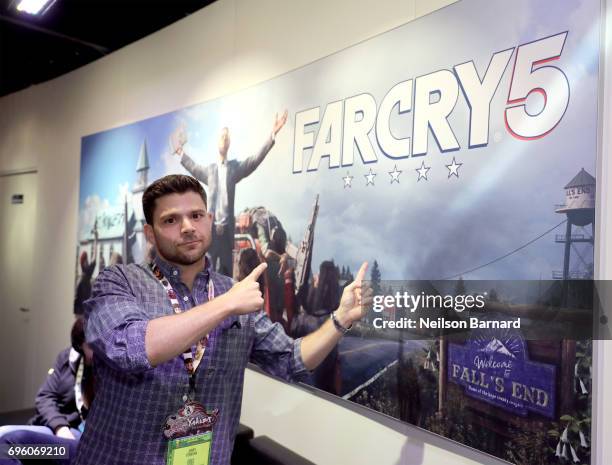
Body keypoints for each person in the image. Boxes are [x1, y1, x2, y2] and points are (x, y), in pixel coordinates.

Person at [74, 174, 371, 465]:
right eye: (170, 220)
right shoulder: (118, 282)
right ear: (150, 233)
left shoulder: (232, 291)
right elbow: (132, 348)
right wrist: (226, 305)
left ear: (210, 220)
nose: (188, 227)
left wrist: (340, 320)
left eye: (196, 215)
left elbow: (292, 359)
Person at [170, 111, 288, 277]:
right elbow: (194, 167)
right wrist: (181, 153)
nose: (224, 139)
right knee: (206, 273)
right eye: (221, 137)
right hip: (210, 230)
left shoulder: (235, 169)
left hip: (226, 233)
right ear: (217, 142)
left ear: (229, 143)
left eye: (227, 137)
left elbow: (255, 160)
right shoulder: (209, 171)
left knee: (225, 277)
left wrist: (272, 135)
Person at [0, 318, 93, 465]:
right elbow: (45, 397)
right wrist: (60, 427)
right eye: (92, 345)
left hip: (76, 439)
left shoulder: (108, 370)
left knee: (8, 446)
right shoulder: (67, 358)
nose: (99, 350)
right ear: (81, 344)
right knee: (3, 433)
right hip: (57, 429)